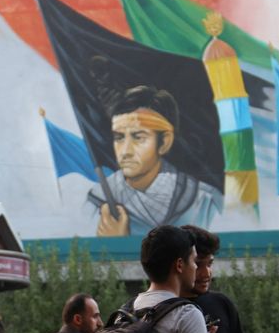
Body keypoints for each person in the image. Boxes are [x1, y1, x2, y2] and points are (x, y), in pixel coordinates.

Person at [87, 86, 222, 236]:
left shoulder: (205, 201)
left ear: (164, 142)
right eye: (119, 138)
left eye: (138, 138)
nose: (125, 151)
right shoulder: (97, 201)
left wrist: (120, 244)